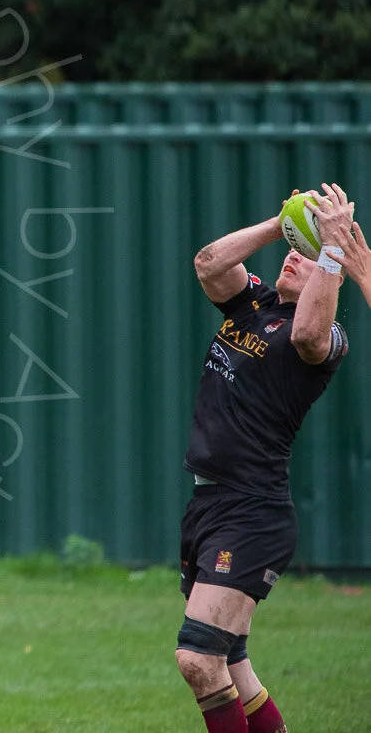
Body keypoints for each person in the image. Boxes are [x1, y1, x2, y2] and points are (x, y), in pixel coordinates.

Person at [174, 184, 351, 733]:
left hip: (253, 513)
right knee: (232, 664)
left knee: (198, 659)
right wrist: (283, 223)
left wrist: (333, 248)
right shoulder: (254, 302)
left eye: (306, 256)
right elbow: (208, 263)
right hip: (208, 502)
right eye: (290, 251)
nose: (292, 257)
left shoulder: (325, 337)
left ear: (328, 275)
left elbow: (307, 332)